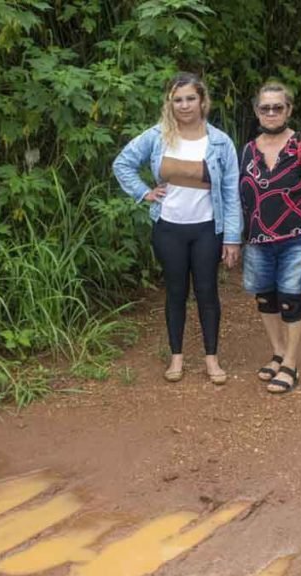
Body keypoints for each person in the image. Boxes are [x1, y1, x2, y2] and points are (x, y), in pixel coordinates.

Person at [113, 72, 242, 384]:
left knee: (207, 291)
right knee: (175, 291)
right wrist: (144, 192)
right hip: (168, 228)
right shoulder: (158, 136)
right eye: (178, 99)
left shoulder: (220, 142)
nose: (184, 105)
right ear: (169, 103)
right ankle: (176, 358)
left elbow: (231, 190)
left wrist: (233, 238)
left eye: (190, 98)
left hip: (207, 229)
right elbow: (122, 163)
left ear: (202, 101)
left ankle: (212, 359)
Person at [239, 81, 301, 394]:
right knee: (265, 298)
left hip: (295, 238)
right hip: (258, 239)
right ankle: (278, 352)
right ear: (256, 111)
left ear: (288, 109)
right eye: (265, 107)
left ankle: (290, 364)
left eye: (278, 107)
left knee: (291, 299)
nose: (271, 113)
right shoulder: (249, 150)